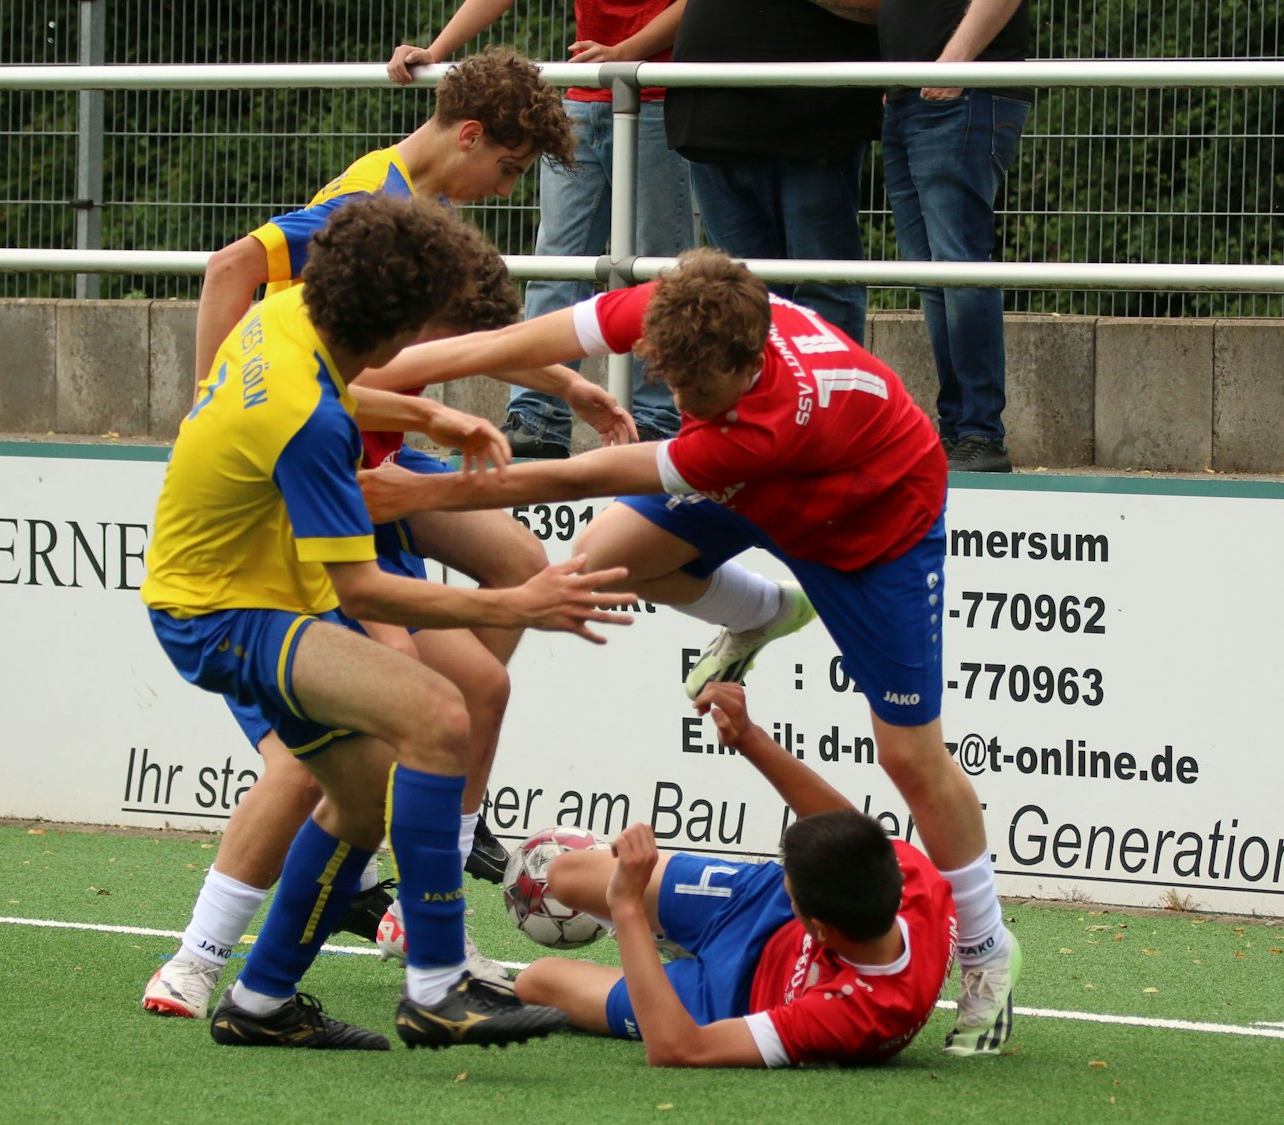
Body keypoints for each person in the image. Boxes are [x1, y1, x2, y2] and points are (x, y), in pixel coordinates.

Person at [354, 248, 1024, 1056]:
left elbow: (575, 476)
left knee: (909, 754)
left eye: (695, 391)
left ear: (747, 367)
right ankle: (766, 610)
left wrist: (423, 489)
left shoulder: (766, 424)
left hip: (871, 523)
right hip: (768, 473)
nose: (678, 401)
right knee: (602, 554)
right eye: (666, 382)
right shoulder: (685, 307)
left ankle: (988, 953)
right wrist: (354, 371)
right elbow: (502, 343)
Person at [143, 193, 634, 1051]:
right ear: (397, 328)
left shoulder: (290, 311)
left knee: (365, 797)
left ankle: (259, 1002)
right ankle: (439, 985)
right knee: (439, 713)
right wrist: (513, 606)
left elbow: (345, 389)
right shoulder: (305, 420)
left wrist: (427, 414)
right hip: (226, 611)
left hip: (235, 592)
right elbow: (365, 593)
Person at [513, 682, 955, 1066]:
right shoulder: (915, 878)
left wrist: (627, 906)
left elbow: (680, 1051)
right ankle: (670, 936)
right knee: (565, 874)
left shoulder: (854, 1015)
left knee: (538, 982)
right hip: (751, 901)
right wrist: (748, 737)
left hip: (727, 1000)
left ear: (819, 931)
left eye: (793, 887)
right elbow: (842, 826)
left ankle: (656, 949)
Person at [389, 0, 696, 458]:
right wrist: (437, 50)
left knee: (655, 270)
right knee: (554, 264)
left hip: (656, 95)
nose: (504, 189)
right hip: (583, 93)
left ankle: (654, 422)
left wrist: (626, 53)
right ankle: (536, 418)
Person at [192, 45, 575, 387]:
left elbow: (470, 336)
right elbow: (230, 266)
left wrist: (572, 388)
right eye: (507, 168)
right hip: (303, 425)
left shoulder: (424, 204)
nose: (504, 190)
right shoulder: (369, 201)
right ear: (470, 137)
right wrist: (206, 405)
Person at [664, 0, 882, 341]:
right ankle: (768, 393)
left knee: (822, 287)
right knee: (742, 293)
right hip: (710, 119)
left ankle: (832, 393)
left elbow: (885, 8)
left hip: (809, 126)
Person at [878, 0, 1031, 473]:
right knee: (935, 274)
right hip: (912, 95)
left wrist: (957, 58)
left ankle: (981, 432)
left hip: (963, 90)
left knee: (958, 265)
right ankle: (961, 430)